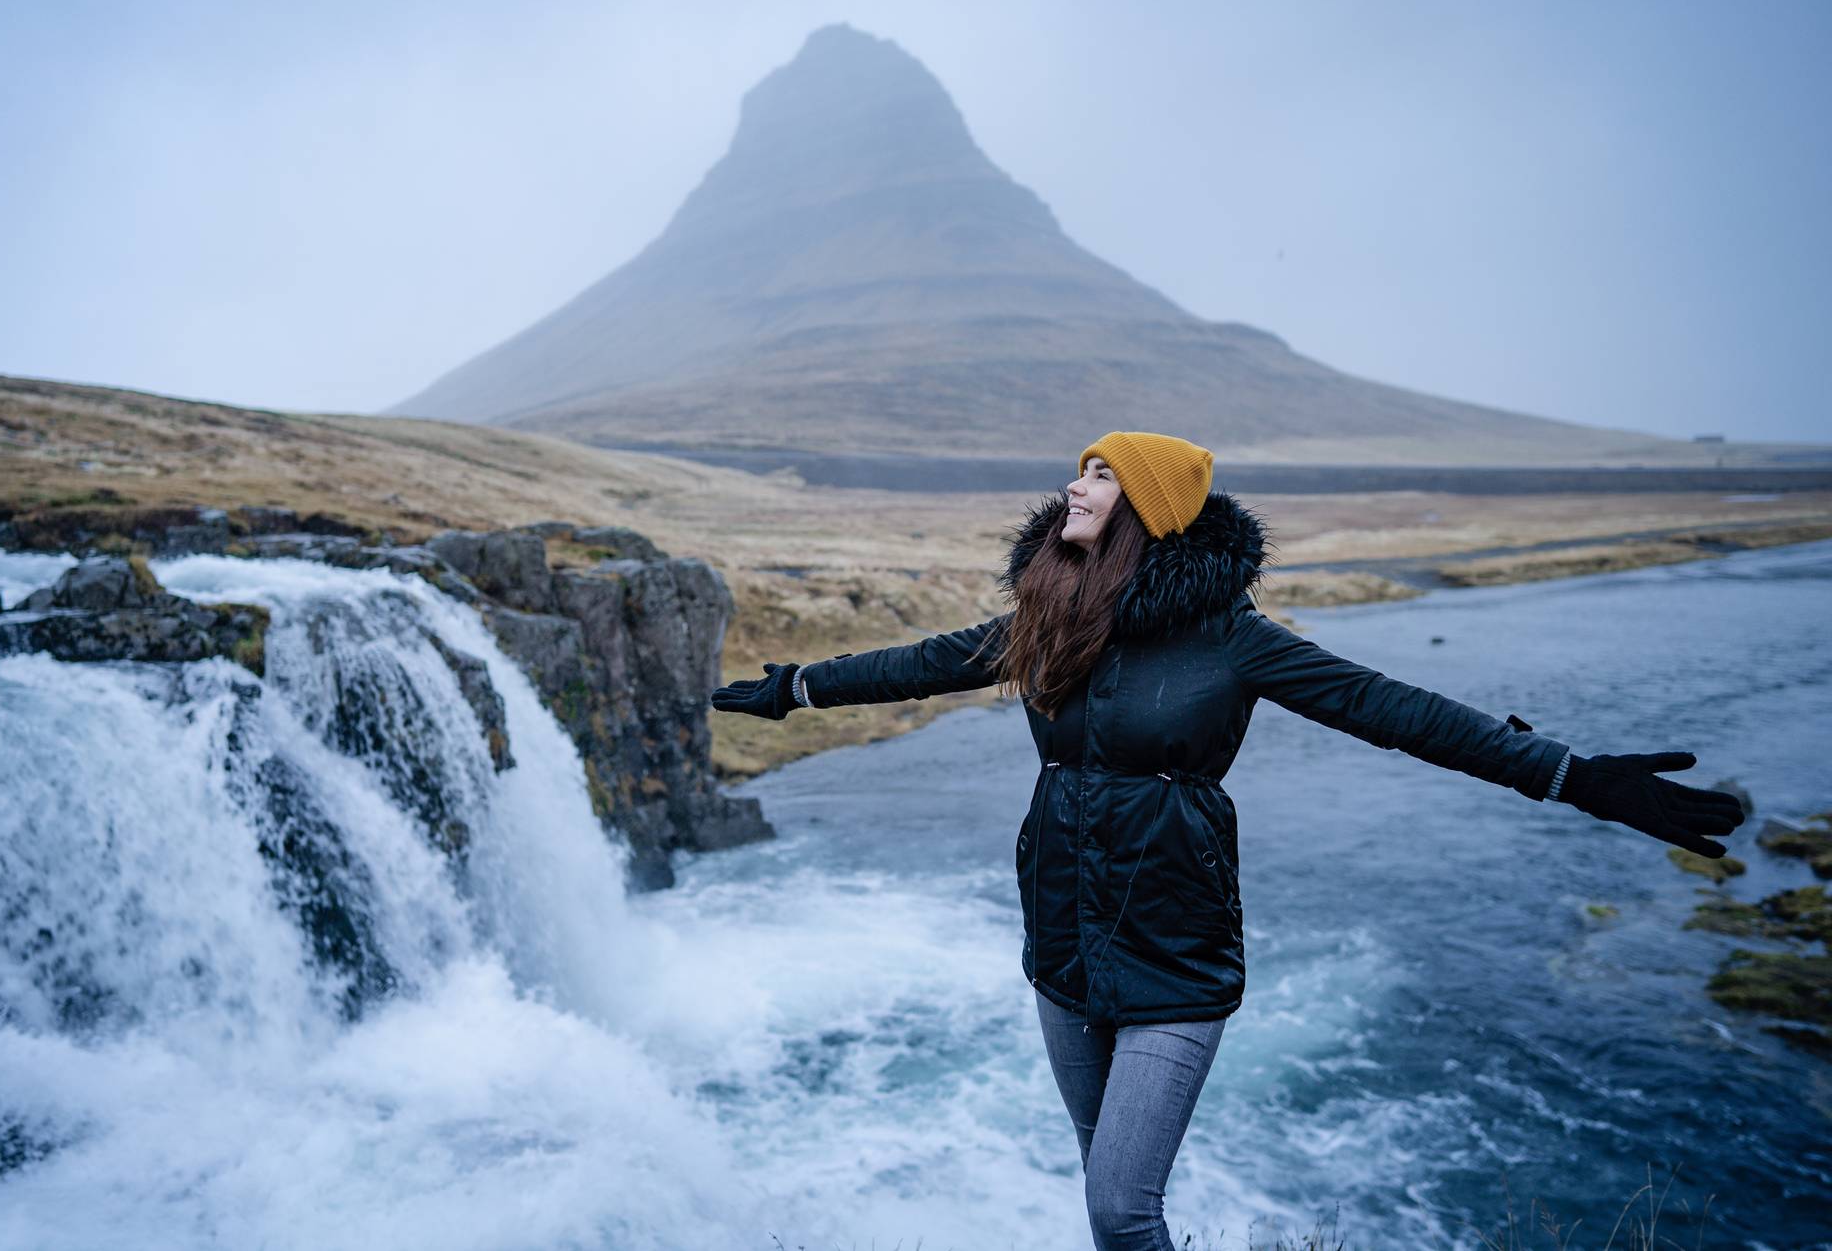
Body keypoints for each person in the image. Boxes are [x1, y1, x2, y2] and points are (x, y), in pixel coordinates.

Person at [710, 431, 1747, 1251]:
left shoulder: (1233, 640)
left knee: (1120, 1209)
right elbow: (923, 663)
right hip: (1060, 947)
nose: (1074, 488)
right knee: (1102, 1185)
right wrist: (797, 687)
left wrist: (1570, 774)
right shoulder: (1050, 613)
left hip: (1173, 953)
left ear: (1149, 511)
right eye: (1077, 471)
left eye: (1101, 476)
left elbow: (1394, 709)